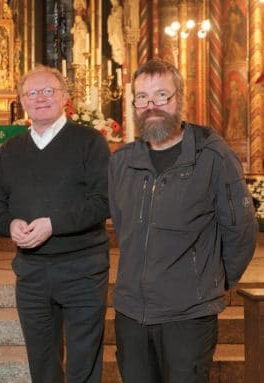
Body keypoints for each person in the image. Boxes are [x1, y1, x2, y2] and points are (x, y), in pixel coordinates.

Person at [108, 58, 257, 382]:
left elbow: (241, 231)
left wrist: (209, 283)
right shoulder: (121, 162)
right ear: (133, 103)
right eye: (143, 98)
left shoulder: (213, 157)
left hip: (188, 315)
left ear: (180, 98)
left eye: (162, 96)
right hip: (132, 314)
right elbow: (124, 226)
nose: (152, 106)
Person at [0, 65, 111, 382]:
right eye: (31, 93)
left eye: (48, 91)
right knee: (42, 363)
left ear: (65, 97)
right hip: (32, 272)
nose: (40, 98)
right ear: (22, 101)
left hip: (82, 268)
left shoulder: (89, 141)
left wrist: (54, 224)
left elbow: (103, 200)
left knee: (84, 364)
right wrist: (9, 224)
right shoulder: (12, 149)